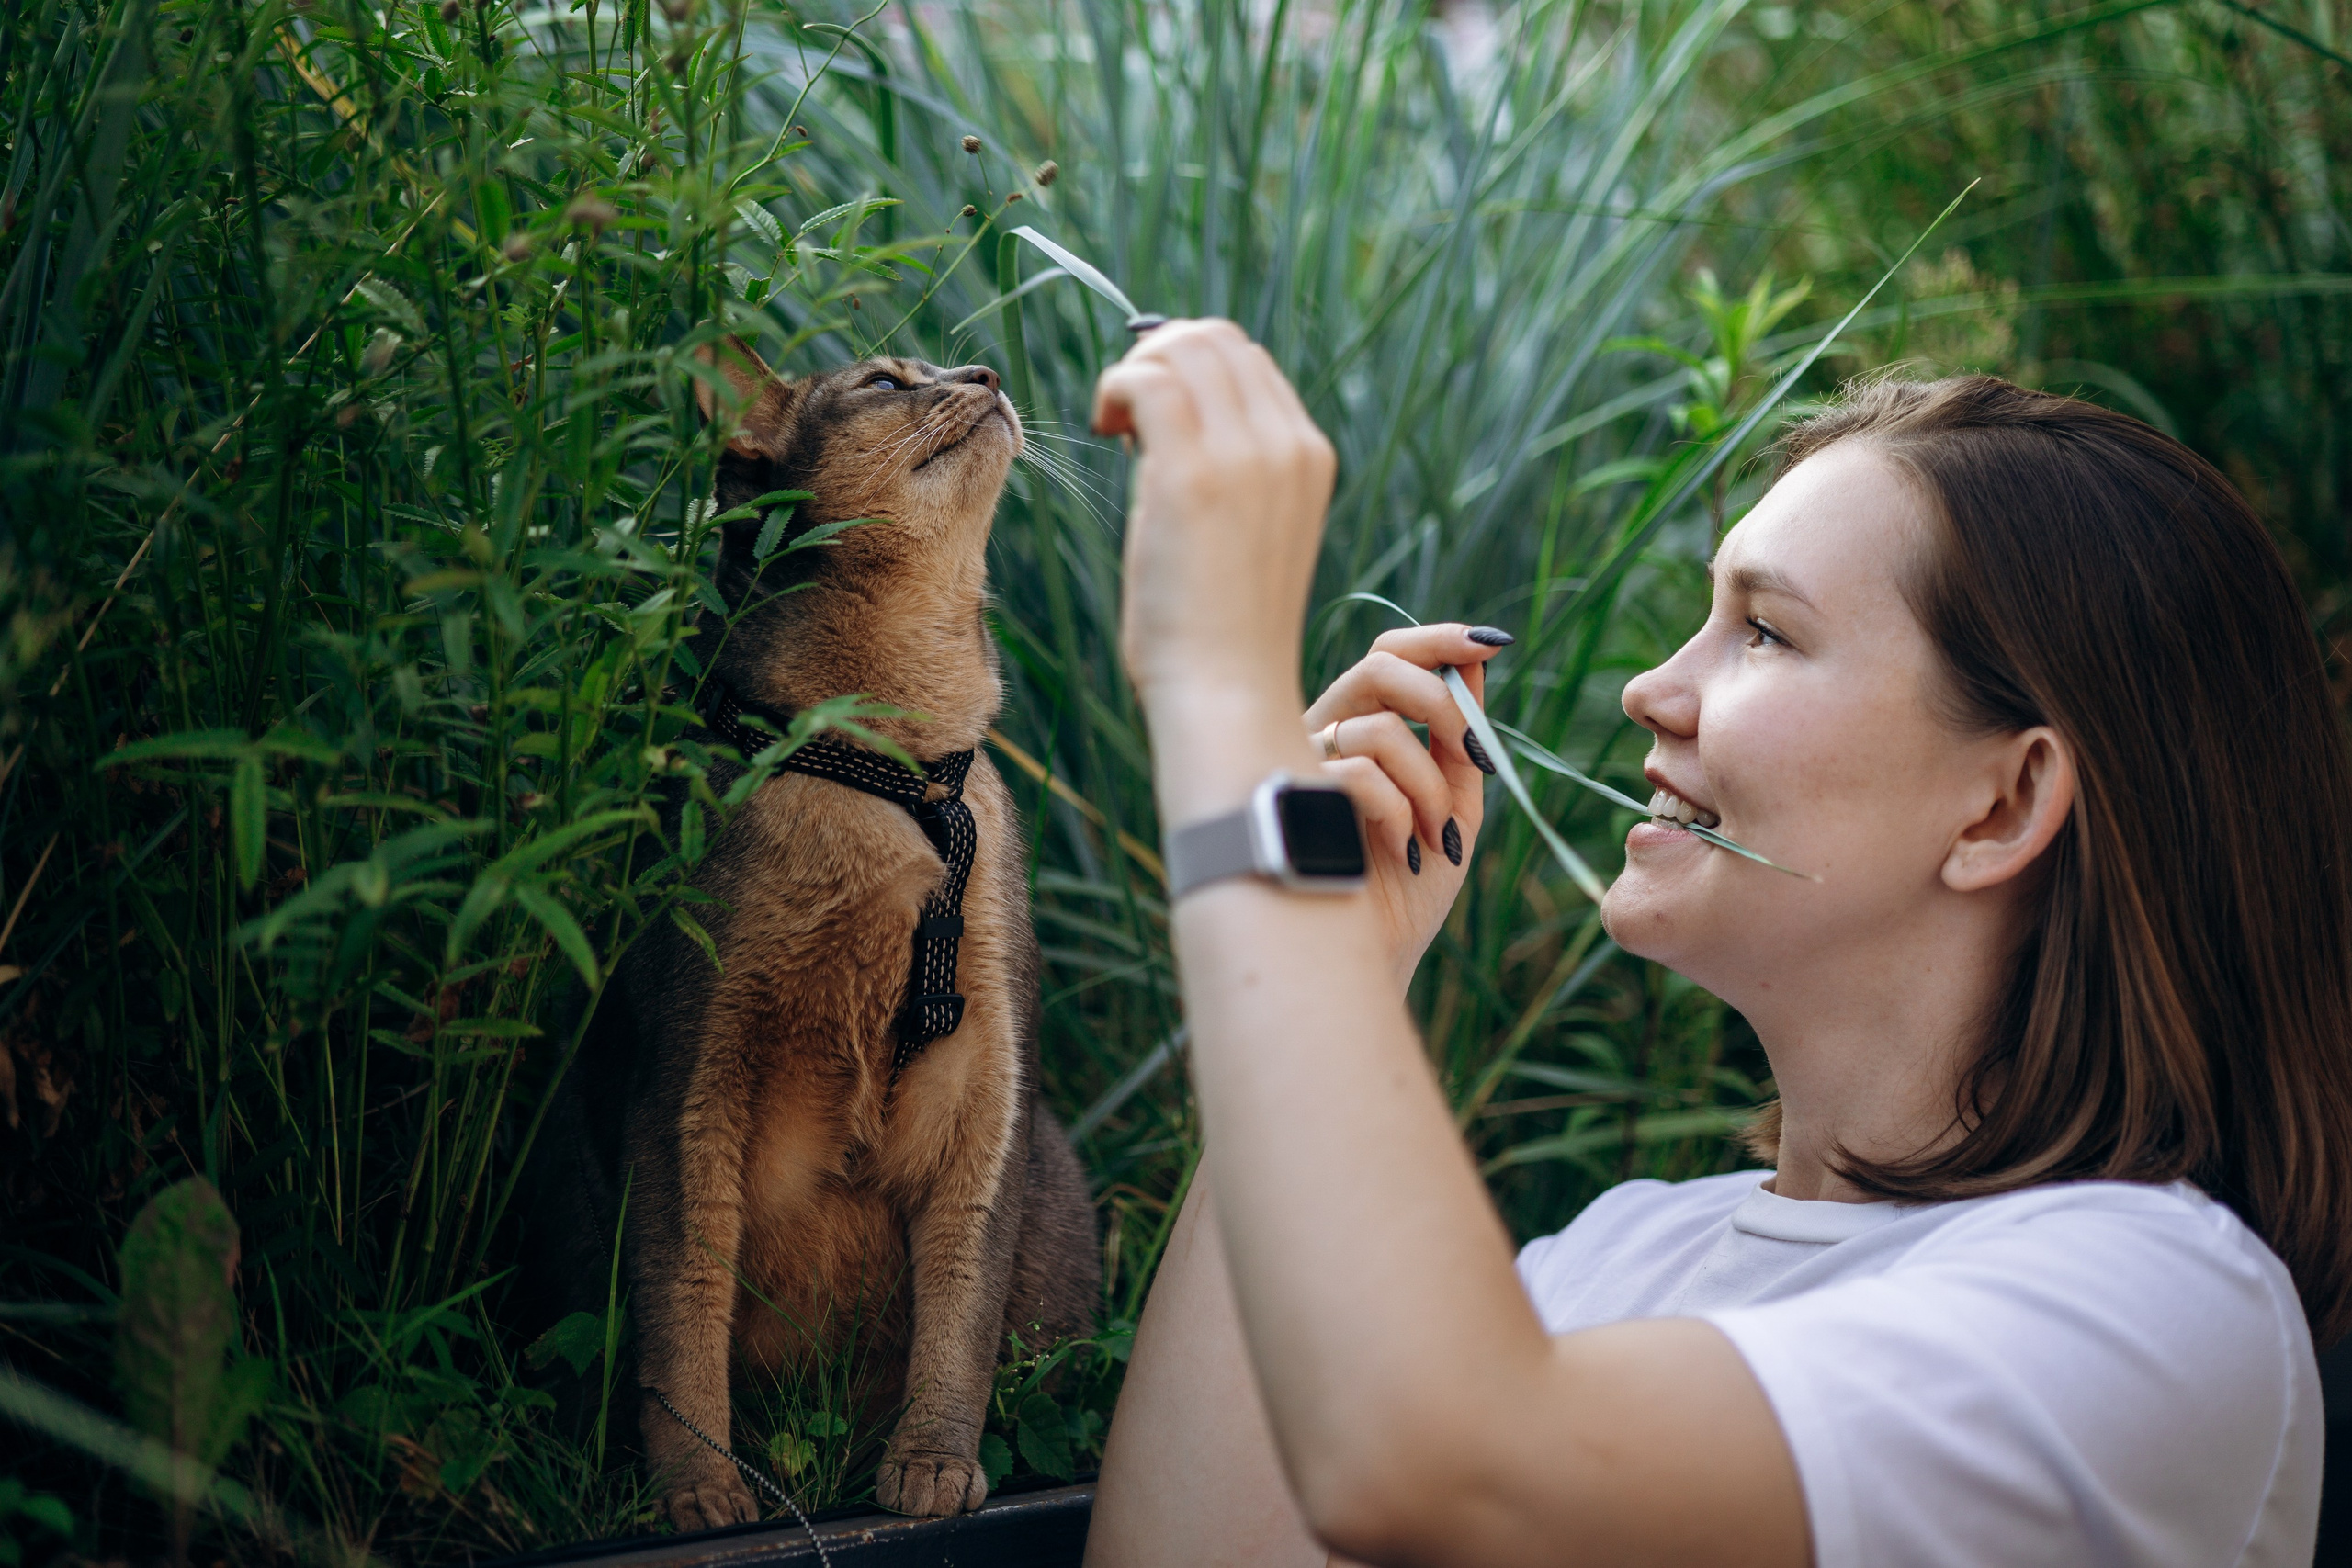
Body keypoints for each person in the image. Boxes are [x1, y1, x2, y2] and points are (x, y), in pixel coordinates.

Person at [1078, 321, 2352, 1568]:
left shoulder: (2152, 1312)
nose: (1650, 689)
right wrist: (1338, 964)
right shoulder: (1618, 1254)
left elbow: (1442, 1466)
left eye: (1767, 631)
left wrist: (1224, 698)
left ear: (2002, 805)